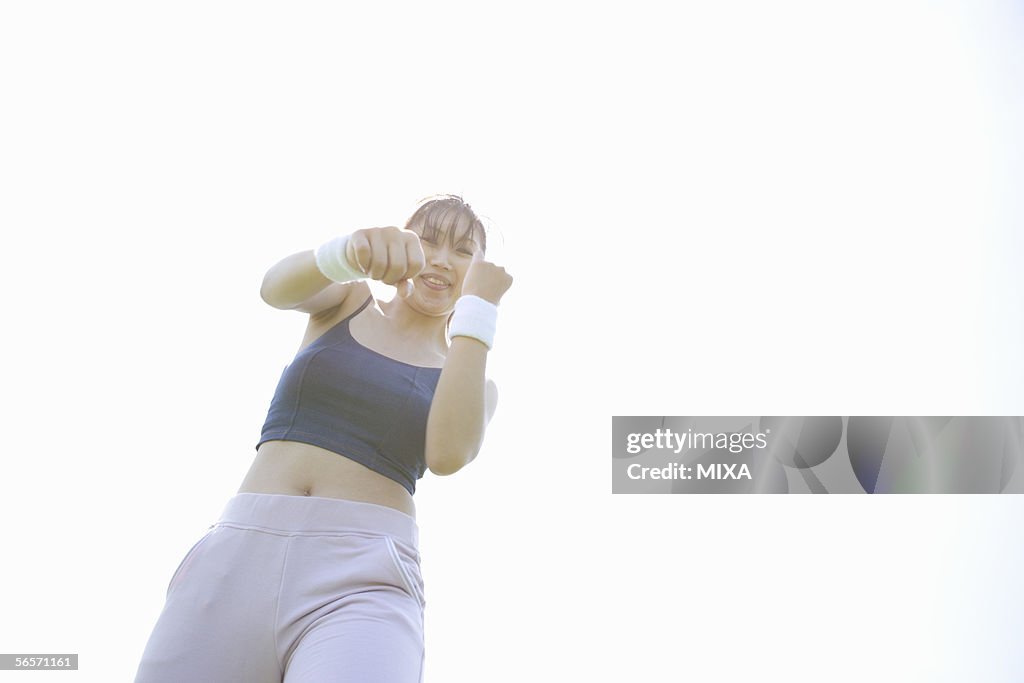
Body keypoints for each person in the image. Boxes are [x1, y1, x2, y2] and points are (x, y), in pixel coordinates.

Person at [133, 194, 513, 682]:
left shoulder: (472, 375)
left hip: (361, 577)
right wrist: (349, 251)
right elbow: (275, 289)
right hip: (239, 555)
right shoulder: (348, 301)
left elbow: (448, 454)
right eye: (429, 240)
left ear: (479, 271)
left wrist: (479, 313)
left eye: (463, 251)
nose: (441, 259)